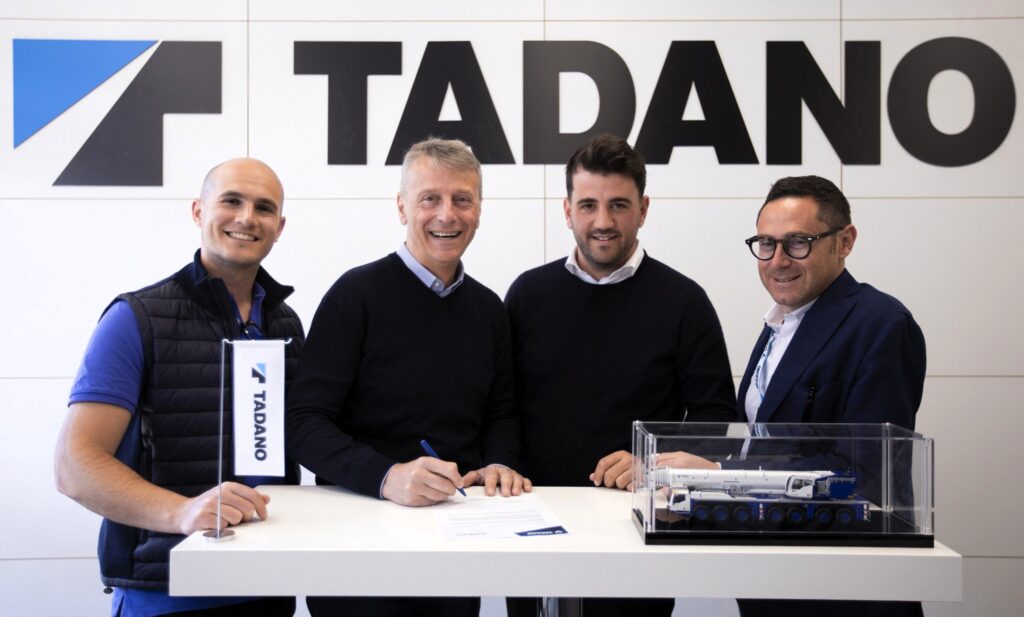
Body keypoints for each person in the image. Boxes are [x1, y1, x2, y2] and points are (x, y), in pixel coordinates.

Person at [286, 138, 529, 617]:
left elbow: (502, 411)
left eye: (462, 199)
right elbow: (303, 424)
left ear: (479, 209)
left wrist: (500, 462)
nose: (447, 214)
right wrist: (387, 477)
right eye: (429, 199)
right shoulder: (354, 296)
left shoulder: (489, 310)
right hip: (356, 550)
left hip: (454, 545)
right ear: (401, 207)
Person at [666, 175, 926, 617]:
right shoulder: (782, 323)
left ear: (845, 242)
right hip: (779, 574)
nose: (778, 260)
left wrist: (717, 474)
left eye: (798, 242)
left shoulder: (881, 325)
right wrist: (693, 487)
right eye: (766, 244)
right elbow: (763, 444)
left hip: (844, 586)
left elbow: (861, 474)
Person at [54, 159, 304, 616]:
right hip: (166, 593)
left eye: (264, 208)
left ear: (280, 227)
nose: (247, 218)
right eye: (231, 201)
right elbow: (75, 466)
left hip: (268, 585)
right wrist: (180, 512)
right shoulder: (135, 318)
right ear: (198, 211)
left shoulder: (285, 324)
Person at [504, 134, 736, 617]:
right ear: (567, 210)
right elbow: (500, 405)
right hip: (533, 525)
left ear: (643, 210)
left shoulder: (685, 303)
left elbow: (716, 418)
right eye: (588, 205)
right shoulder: (527, 294)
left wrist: (653, 463)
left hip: (639, 527)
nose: (603, 221)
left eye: (619, 205)